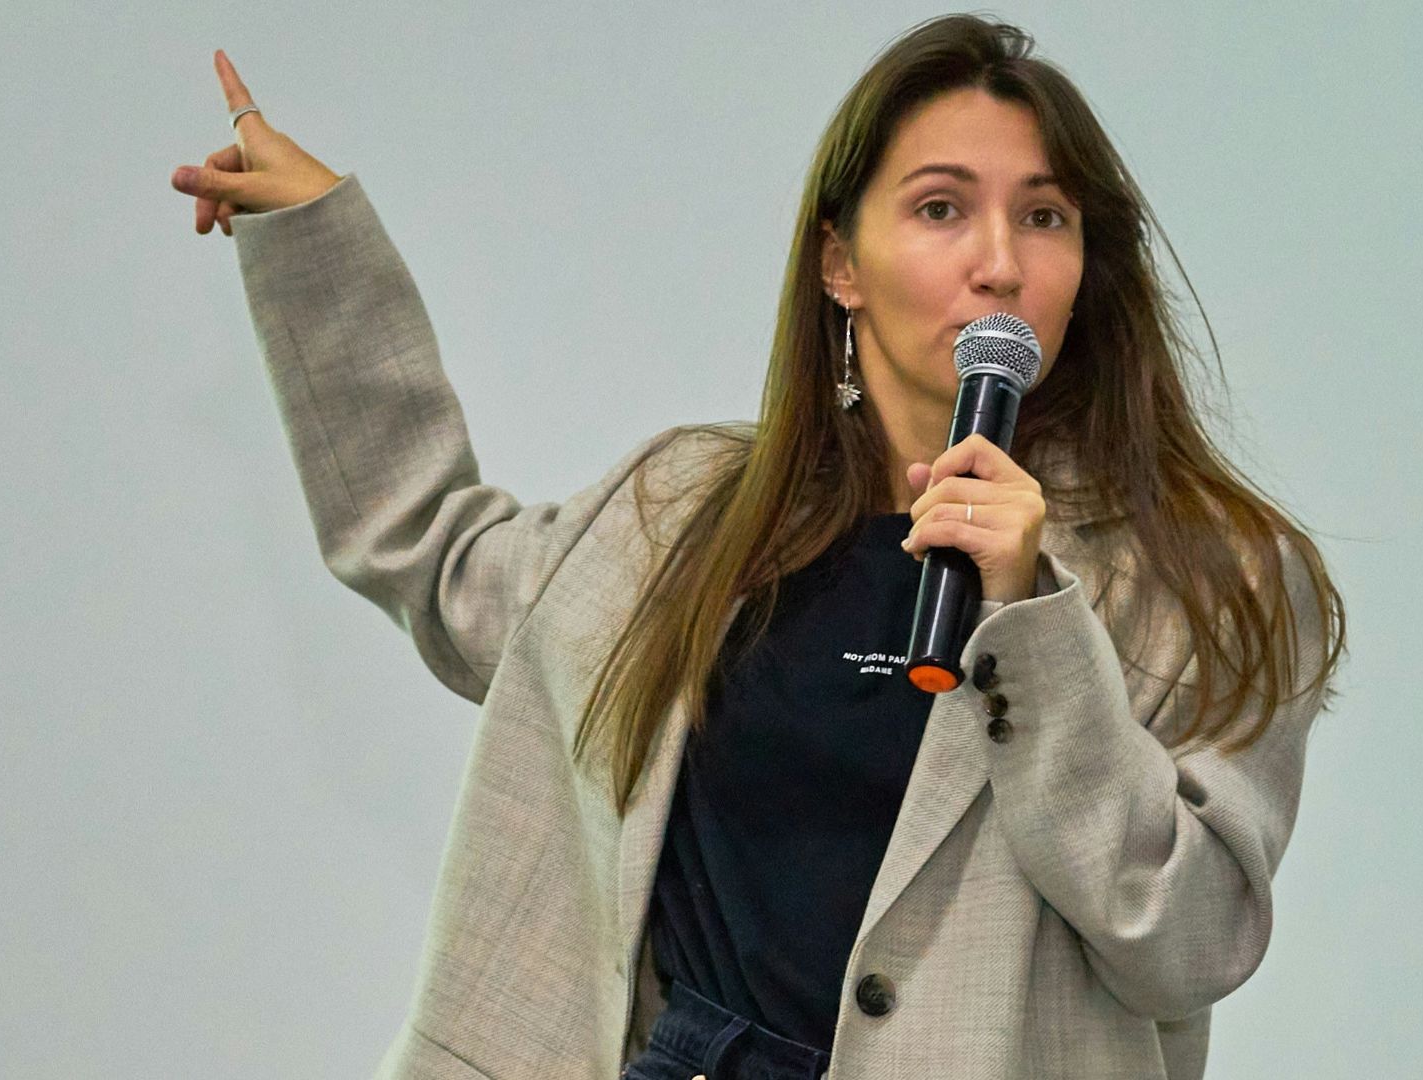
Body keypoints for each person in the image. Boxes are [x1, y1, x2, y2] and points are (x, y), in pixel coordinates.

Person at [173, 14, 1346, 1080]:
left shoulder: (1210, 576)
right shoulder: (686, 518)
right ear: (841, 264)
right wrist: (318, 252)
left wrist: (1034, 619)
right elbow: (433, 555)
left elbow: (1185, 938)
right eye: (942, 208)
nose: (1000, 260)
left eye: (1044, 216)